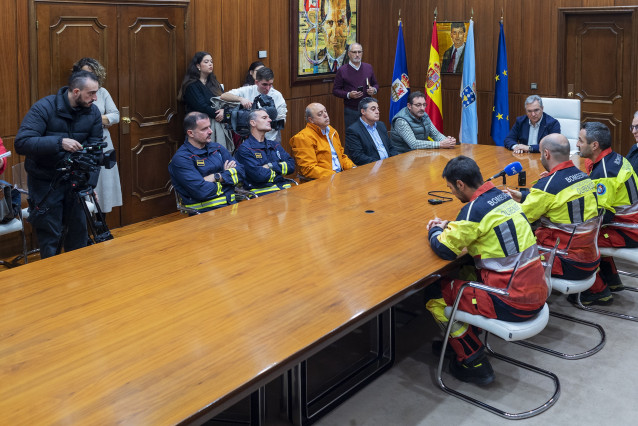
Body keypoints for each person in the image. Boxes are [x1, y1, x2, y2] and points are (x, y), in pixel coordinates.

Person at [425, 156, 546, 385]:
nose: (452, 193)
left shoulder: (473, 211)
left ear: (460, 184)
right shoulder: (504, 198)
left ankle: (473, 360)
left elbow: (445, 249)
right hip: (537, 288)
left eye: (451, 188)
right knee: (467, 271)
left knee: (434, 293)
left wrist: (434, 231)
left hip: (512, 302)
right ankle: (462, 336)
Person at [14, 70, 103, 259]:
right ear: (76, 91)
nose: (95, 98)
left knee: (78, 234)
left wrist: (90, 184)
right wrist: (59, 142)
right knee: (51, 238)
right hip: (46, 183)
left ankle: (78, 283)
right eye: (91, 93)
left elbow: (96, 152)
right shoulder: (44, 108)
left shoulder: (93, 112)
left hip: (75, 182)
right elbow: (22, 143)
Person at [504, 134, 600, 281]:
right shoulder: (584, 177)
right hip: (590, 258)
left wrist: (505, 203)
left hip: (564, 261)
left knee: (505, 245)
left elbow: (518, 218)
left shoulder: (548, 187)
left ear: (546, 154)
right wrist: (523, 196)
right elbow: (558, 200)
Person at [573, 122, 638, 305]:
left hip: (628, 230)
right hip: (632, 223)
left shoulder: (605, 173)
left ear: (594, 145)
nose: (577, 144)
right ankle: (612, 280)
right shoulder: (616, 158)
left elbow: (602, 217)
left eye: (580, 140)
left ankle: (597, 291)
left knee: (580, 240)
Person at [72, 57, 122, 213]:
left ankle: (102, 224)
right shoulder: (74, 93)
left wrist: (97, 119)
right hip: (80, 143)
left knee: (104, 183)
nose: (88, 77)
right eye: (84, 73)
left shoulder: (102, 92)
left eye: (92, 73)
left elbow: (115, 115)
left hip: (102, 139)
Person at [168, 112, 245, 213]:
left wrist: (216, 177)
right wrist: (228, 180)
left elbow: (241, 172)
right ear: (190, 133)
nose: (210, 131)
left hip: (231, 207)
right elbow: (201, 191)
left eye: (209, 127)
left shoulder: (217, 148)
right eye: (204, 129)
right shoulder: (181, 158)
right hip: (204, 214)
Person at [178, 51, 234, 153]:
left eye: (211, 62)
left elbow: (223, 100)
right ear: (198, 66)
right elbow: (201, 106)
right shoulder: (191, 85)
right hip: (200, 126)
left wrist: (224, 111)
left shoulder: (214, 83)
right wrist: (219, 114)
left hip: (218, 124)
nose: (210, 64)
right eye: (206, 62)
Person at [234, 109, 295, 195]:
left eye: (269, 118)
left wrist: (270, 166)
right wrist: (279, 171)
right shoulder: (245, 149)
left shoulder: (274, 145)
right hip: (262, 196)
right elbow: (259, 176)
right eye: (264, 118)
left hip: (284, 190)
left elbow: (291, 166)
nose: (270, 120)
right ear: (253, 123)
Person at [289, 102, 355, 180]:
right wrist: (336, 175)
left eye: (325, 111)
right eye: (320, 114)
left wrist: (353, 168)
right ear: (311, 120)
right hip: (321, 181)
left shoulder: (332, 131)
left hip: (338, 176)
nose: (326, 115)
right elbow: (308, 169)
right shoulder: (303, 138)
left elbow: (341, 156)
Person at [221, 67, 287, 142]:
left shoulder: (277, 96)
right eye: (264, 84)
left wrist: (266, 121)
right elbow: (223, 96)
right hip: (249, 139)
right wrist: (241, 99)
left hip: (270, 139)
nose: (268, 88)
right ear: (256, 82)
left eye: (270, 84)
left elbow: (282, 122)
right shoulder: (248, 90)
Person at [390, 91, 456, 153]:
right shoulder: (401, 121)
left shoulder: (424, 116)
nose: (422, 108)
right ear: (409, 106)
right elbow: (413, 144)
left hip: (419, 153)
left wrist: (448, 141)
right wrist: (440, 144)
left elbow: (436, 134)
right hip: (401, 156)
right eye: (418, 105)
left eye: (424, 105)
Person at [332, 43, 379, 131]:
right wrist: (349, 95)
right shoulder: (342, 70)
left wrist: (374, 90)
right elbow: (335, 90)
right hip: (351, 110)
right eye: (354, 52)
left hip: (368, 109)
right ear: (348, 54)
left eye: (359, 52)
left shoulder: (368, 67)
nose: (357, 55)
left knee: (369, 135)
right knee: (352, 136)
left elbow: (376, 85)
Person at [344, 97, 397, 166]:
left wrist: (393, 160)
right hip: (371, 169)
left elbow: (390, 147)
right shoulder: (353, 130)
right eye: (373, 109)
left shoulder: (381, 125)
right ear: (363, 111)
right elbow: (358, 157)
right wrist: (381, 164)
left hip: (389, 165)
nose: (377, 112)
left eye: (378, 109)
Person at [320, 0, 352, 71]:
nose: (335, 34)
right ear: (322, 26)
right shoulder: (315, 62)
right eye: (330, 22)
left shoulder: (356, 60)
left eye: (340, 22)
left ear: (348, 26)